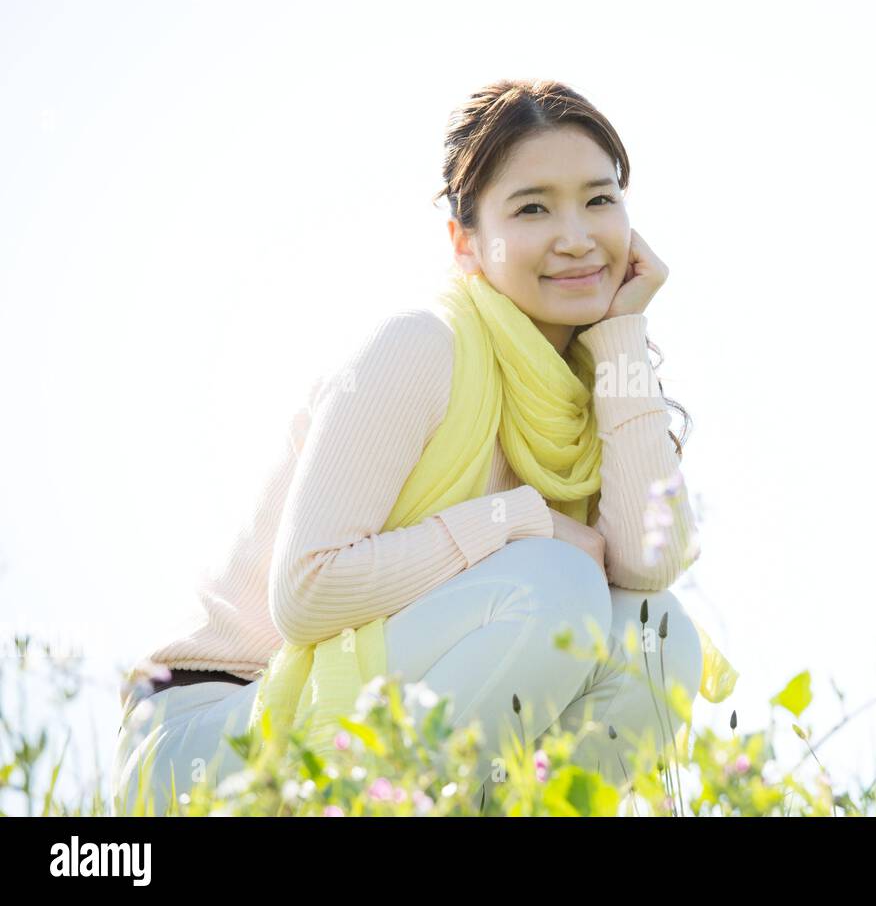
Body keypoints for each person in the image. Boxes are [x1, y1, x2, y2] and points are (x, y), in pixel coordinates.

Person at [111, 78, 705, 815]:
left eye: (599, 199)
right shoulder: (421, 345)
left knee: (659, 633)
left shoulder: (586, 390)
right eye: (532, 208)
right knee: (555, 583)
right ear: (465, 242)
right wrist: (520, 520)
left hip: (356, 715)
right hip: (209, 736)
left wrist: (622, 335)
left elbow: (649, 562)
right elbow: (306, 591)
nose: (577, 235)